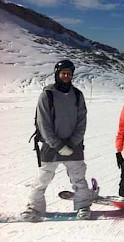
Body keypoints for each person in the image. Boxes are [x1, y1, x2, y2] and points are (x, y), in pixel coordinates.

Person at [22, 60, 92, 220]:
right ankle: (34, 208)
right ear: (57, 74)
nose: (66, 76)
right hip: (50, 146)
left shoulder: (77, 95)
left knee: (79, 178)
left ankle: (83, 206)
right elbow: (43, 123)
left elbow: (82, 121)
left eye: (69, 73)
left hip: (74, 146)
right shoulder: (47, 95)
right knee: (42, 179)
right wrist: (58, 145)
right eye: (63, 73)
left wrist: (73, 142)